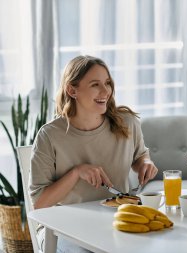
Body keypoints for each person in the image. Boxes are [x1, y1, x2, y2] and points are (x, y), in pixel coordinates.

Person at [29, 55, 158, 251]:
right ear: (72, 90)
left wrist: (145, 164)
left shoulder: (128, 123)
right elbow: (40, 204)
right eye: (95, 84)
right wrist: (76, 173)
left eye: (107, 83)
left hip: (117, 220)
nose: (105, 91)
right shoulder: (49, 135)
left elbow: (140, 156)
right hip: (62, 227)